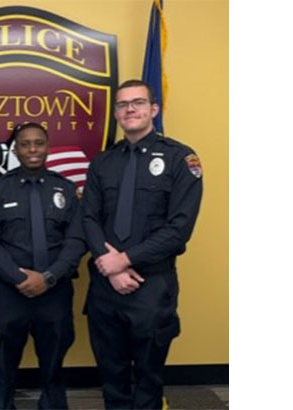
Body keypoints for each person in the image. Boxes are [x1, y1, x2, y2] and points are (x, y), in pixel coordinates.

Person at [81, 79, 203, 409]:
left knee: (149, 377)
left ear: (153, 109)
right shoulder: (103, 162)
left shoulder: (181, 159)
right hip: (106, 286)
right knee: (111, 373)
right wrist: (110, 267)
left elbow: (179, 229)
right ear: (117, 114)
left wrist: (125, 260)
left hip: (152, 285)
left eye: (137, 102)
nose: (130, 109)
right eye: (122, 105)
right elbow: (89, 218)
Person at [0, 123, 86, 409]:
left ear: (47, 147)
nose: (33, 150)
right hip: (8, 293)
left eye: (38, 143)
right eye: (25, 144)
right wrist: (19, 278)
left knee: (53, 368)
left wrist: (48, 278)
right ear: (16, 149)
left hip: (55, 294)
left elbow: (76, 240)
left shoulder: (65, 189)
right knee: (4, 367)